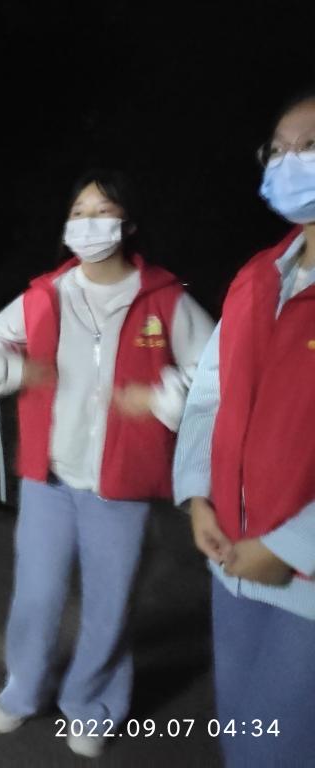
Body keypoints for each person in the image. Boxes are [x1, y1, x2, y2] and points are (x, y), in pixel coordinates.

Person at [0, 169, 213, 759]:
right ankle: (23, 689)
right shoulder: (45, 294)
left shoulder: (164, 299)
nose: (87, 222)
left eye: (102, 210)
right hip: (49, 480)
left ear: (128, 223)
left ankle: (92, 703)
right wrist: (15, 370)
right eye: (78, 212)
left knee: (110, 604)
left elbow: (214, 371)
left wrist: (160, 397)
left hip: (121, 488)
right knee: (37, 595)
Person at [174, 88, 315, 767]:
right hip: (232, 558)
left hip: (304, 581)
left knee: (280, 751)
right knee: (241, 736)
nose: (290, 163)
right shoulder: (259, 278)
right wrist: (199, 493)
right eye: (278, 150)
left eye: (310, 147)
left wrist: (289, 546)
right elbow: (210, 395)